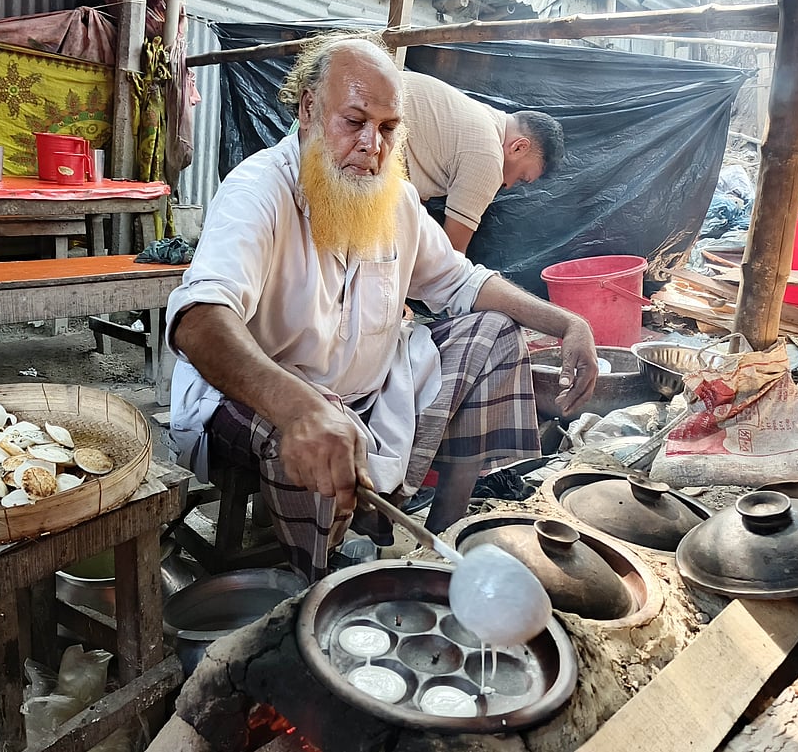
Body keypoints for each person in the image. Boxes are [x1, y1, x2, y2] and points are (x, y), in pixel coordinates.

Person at [165, 33, 597, 582]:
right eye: (354, 121)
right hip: (272, 392)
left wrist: (568, 322)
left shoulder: (394, 198)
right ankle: (315, 589)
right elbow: (199, 319)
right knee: (314, 429)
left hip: (372, 392)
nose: (372, 145)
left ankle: (438, 548)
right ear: (308, 110)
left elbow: (461, 280)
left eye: (389, 128)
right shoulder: (258, 190)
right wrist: (300, 408)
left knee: (495, 333)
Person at [401, 71, 564, 254]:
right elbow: (450, 259)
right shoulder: (489, 156)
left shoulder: (480, 116)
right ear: (519, 147)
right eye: (520, 177)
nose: (508, 186)